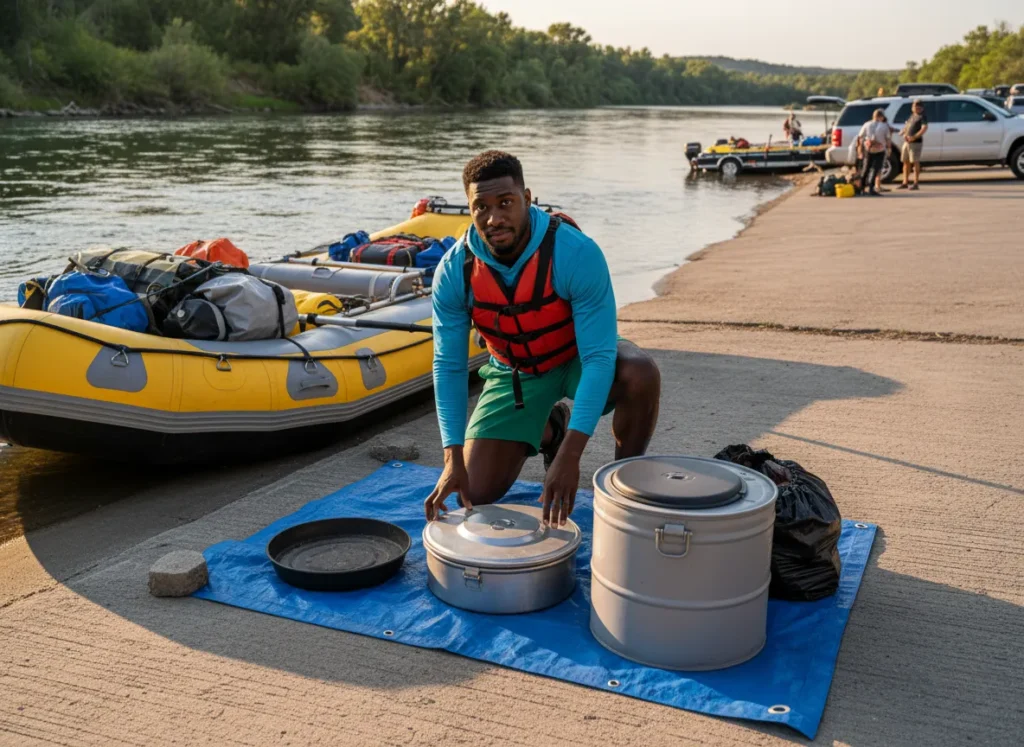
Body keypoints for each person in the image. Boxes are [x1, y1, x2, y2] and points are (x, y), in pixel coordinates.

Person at [425, 151, 661, 526]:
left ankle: (625, 485)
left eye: (506, 203)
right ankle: (549, 428)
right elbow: (449, 366)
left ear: (528, 198)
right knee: (477, 492)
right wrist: (451, 457)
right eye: (480, 207)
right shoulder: (455, 271)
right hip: (515, 371)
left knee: (640, 372)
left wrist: (571, 457)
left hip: (577, 358)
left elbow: (600, 359)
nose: (494, 218)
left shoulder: (575, 253)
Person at [857, 109, 891, 196]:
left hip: (868, 149)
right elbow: (887, 139)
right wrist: (889, 148)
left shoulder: (866, 124)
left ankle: (862, 188)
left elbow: (860, 137)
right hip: (880, 150)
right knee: (876, 169)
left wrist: (860, 149)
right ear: (881, 117)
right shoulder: (884, 126)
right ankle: (871, 189)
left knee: (866, 169)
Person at [898, 99, 928, 191]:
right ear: (912, 108)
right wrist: (903, 132)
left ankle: (915, 183)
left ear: (922, 108)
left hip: (915, 142)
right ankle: (905, 182)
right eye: (915, 106)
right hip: (907, 142)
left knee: (915, 162)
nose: (917, 108)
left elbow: (924, 128)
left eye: (919, 107)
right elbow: (906, 126)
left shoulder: (922, 117)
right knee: (905, 162)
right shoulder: (911, 116)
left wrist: (914, 137)